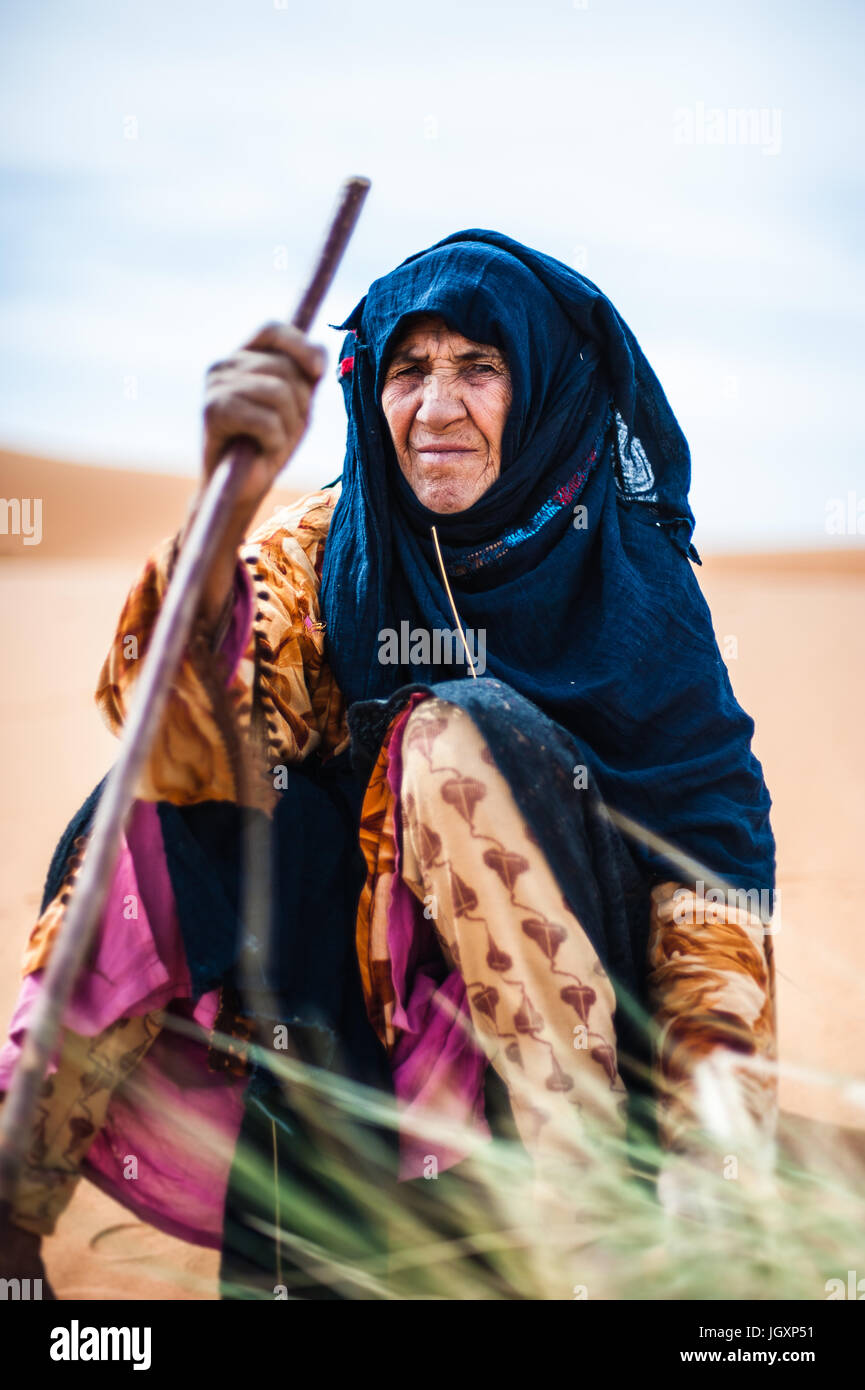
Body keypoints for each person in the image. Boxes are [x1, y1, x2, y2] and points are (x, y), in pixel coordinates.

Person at [0, 230, 777, 1299]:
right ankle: (11, 1202)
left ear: (544, 389)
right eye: (409, 370)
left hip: (571, 1059)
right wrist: (221, 511)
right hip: (344, 1040)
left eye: (479, 368)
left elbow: (710, 876)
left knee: (450, 737)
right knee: (151, 808)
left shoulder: (634, 593)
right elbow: (186, 733)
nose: (436, 407)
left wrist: (711, 1140)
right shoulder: (333, 543)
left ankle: (591, 1237)